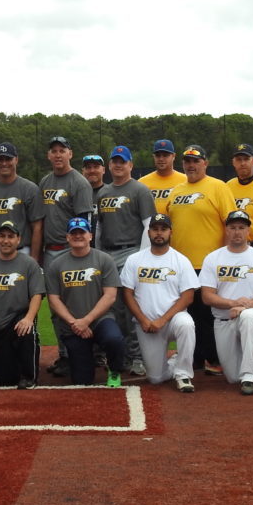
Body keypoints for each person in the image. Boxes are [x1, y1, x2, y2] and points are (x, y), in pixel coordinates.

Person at [163, 144, 235, 375]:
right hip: (180, 267)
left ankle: (213, 358)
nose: (191, 165)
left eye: (196, 161)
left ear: (205, 163)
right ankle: (193, 358)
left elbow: (231, 224)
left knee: (207, 315)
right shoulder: (176, 191)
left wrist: (225, 258)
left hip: (208, 265)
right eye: (187, 161)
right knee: (186, 315)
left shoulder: (218, 187)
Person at [119, 213, 199, 393]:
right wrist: (143, 320)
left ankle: (183, 374)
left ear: (171, 232)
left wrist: (163, 320)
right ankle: (173, 363)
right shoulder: (135, 260)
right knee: (155, 378)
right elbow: (127, 294)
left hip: (172, 320)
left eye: (163, 229)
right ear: (148, 232)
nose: (159, 233)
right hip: (146, 324)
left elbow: (188, 296)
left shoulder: (181, 260)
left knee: (186, 324)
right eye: (155, 229)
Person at [199, 210, 253, 395]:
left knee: (248, 317)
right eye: (233, 227)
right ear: (226, 230)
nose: (237, 232)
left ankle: (249, 376)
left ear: (249, 230)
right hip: (224, 319)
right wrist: (232, 303)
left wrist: (244, 308)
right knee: (233, 377)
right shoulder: (213, 258)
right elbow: (207, 296)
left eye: (241, 227)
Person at [97, 145, 157, 377]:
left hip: (131, 251)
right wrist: (99, 254)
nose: (118, 165)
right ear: (110, 165)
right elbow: (100, 228)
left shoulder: (140, 190)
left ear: (131, 165)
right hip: (108, 255)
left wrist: (140, 258)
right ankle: (118, 355)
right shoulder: (103, 192)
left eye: (123, 161)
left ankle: (137, 356)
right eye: (115, 161)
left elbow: (147, 225)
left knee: (132, 308)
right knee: (113, 308)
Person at [45, 217, 126, 386]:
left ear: (90, 235)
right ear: (67, 237)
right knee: (82, 380)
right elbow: (53, 299)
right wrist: (75, 323)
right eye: (73, 233)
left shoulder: (104, 259)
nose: (78, 236)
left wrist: (86, 321)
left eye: (81, 232)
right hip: (72, 325)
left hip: (100, 320)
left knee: (114, 340)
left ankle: (114, 369)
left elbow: (110, 295)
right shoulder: (56, 265)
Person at [0, 220, 45, 388]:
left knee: (26, 331)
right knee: (5, 380)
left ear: (18, 240)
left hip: (18, 319)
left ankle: (30, 377)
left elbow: (37, 294)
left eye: (10, 237)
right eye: (2, 236)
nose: (6, 241)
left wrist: (29, 318)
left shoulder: (29, 264)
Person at [0, 142, 44, 263]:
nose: (4, 163)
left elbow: (37, 227)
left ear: (16, 160)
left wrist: (34, 259)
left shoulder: (30, 189)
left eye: (8, 159)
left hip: (22, 253)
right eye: (0, 159)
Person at [39, 136, 94, 265]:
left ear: (70, 154)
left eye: (62, 151)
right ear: (49, 155)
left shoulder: (79, 183)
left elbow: (85, 222)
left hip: (71, 249)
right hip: (48, 250)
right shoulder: (44, 182)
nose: (58, 155)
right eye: (54, 151)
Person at [138, 139, 186, 212]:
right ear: (153, 156)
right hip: (150, 223)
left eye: (165, 155)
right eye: (158, 155)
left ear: (173, 156)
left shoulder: (185, 180)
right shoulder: (142, 183)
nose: (161, 159)